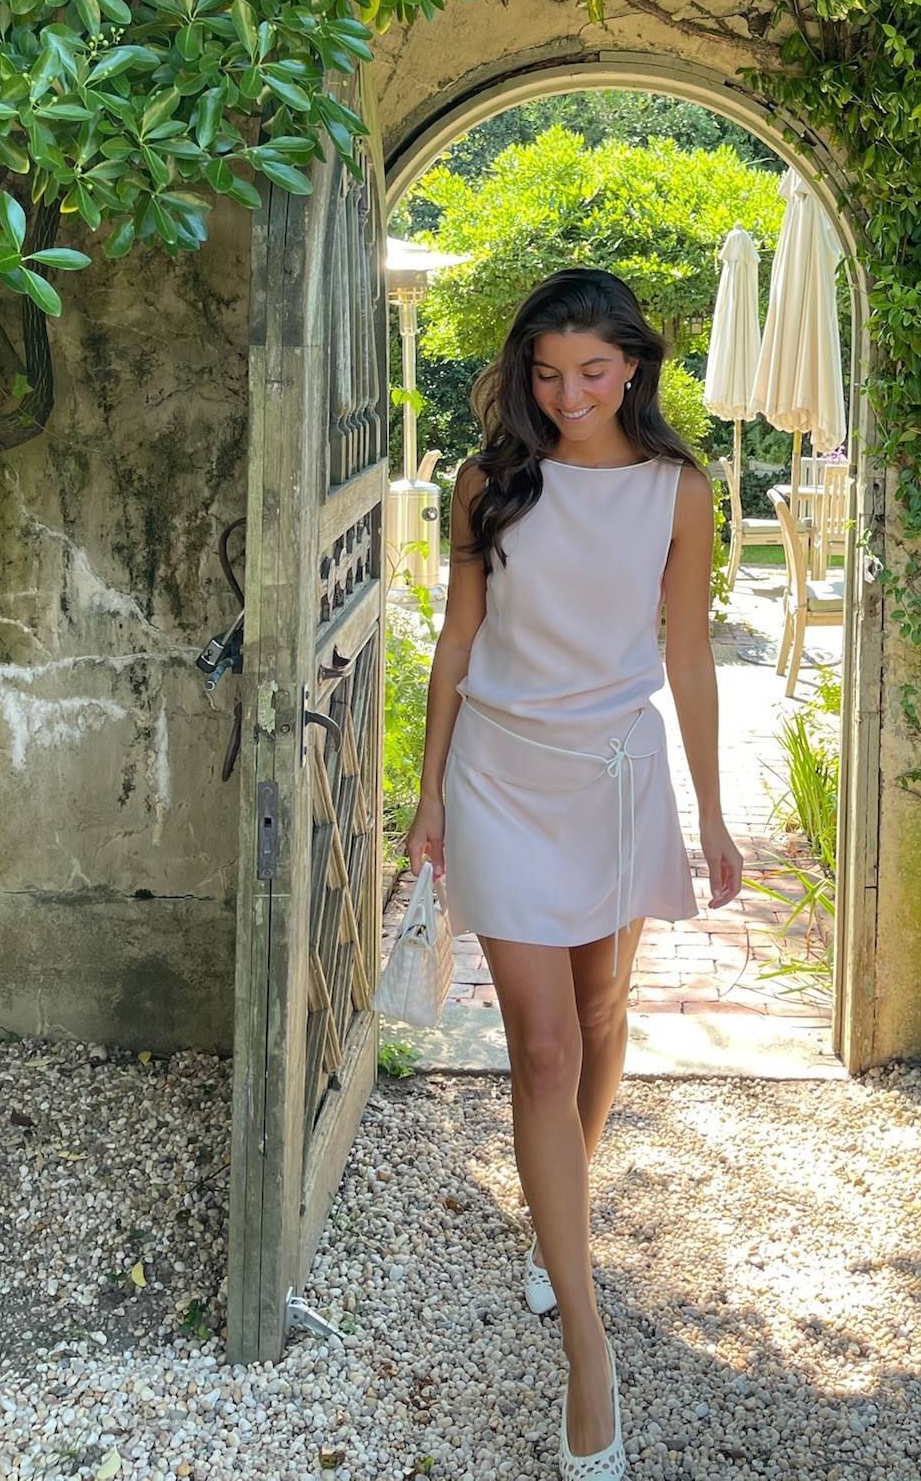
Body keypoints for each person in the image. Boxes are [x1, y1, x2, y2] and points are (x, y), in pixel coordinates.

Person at [405, 266, 744, 1478]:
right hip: (502, 772)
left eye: (593, 371)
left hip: (615, 775)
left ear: (636, 367)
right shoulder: (489, 480)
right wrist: (428, 790)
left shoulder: (679, 488)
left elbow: (692, 651)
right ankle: (587, 1344)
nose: (568, 395)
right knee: (543, 1048)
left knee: (604, 1017)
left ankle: (560, 1225)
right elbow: (457, 636)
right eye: (547, 374)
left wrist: (712, 809)